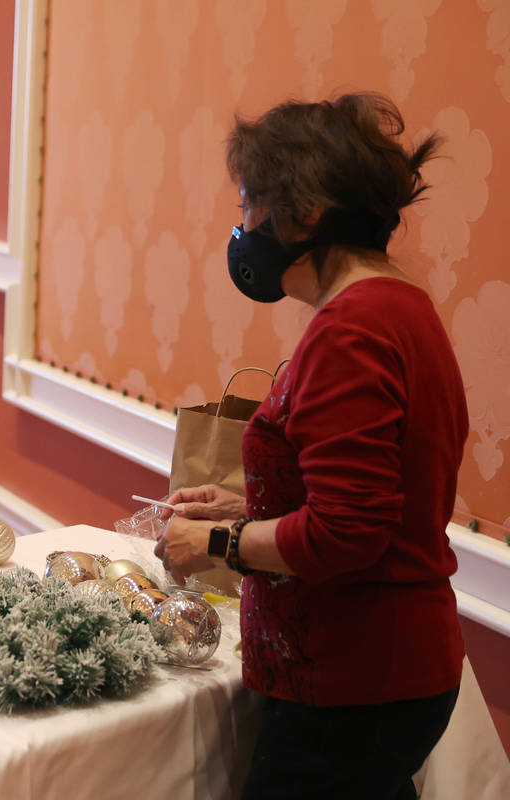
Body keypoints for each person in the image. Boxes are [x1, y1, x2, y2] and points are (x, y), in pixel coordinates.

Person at [153, 93, 467, 799]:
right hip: (388, 672)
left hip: (354, 680)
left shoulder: (352, 331)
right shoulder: (398, 305)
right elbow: (375, 493)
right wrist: (244, 503)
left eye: (250, 202)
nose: (244, 226)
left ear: (305, 211)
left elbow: (348, 532)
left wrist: (215, 546)